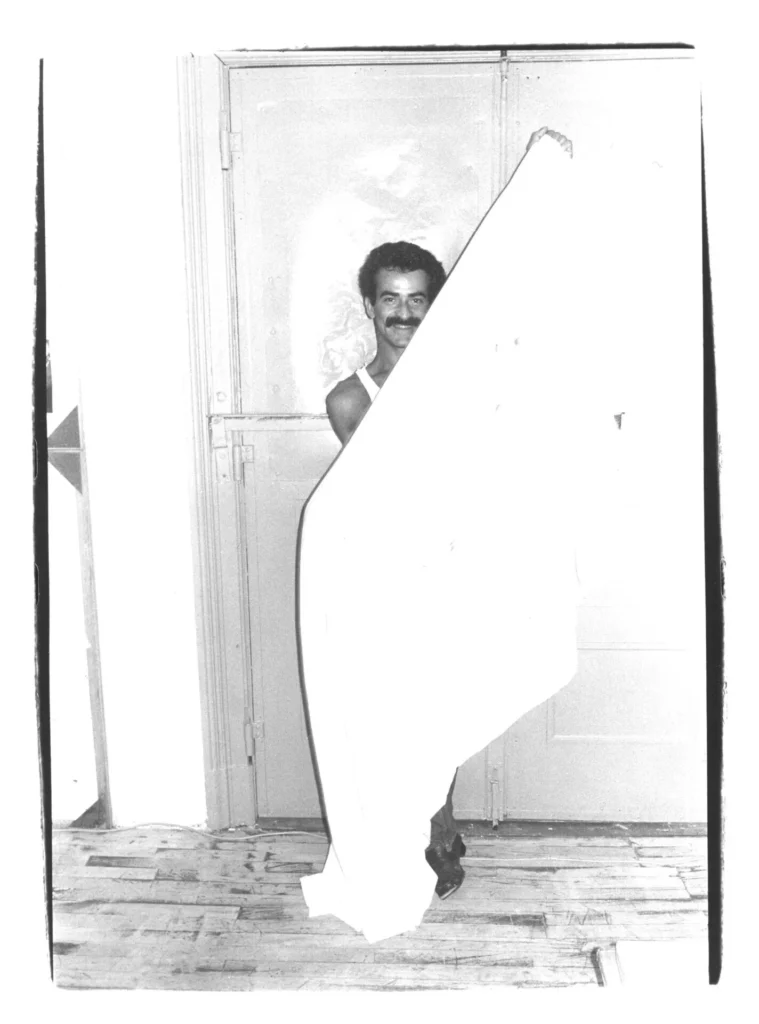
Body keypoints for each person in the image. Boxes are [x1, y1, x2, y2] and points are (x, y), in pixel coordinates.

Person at [325, 240, 466, 899]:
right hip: (385, 575)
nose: (403, 313)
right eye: (390, 299)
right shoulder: (348, 400)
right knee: (396, 713)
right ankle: (420, 832)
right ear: (368, 306)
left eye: (416, 299)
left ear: (432, 304)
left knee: (447, 709)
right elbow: (369, 499)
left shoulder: (463, 390)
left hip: (453, 565)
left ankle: (440, 829)